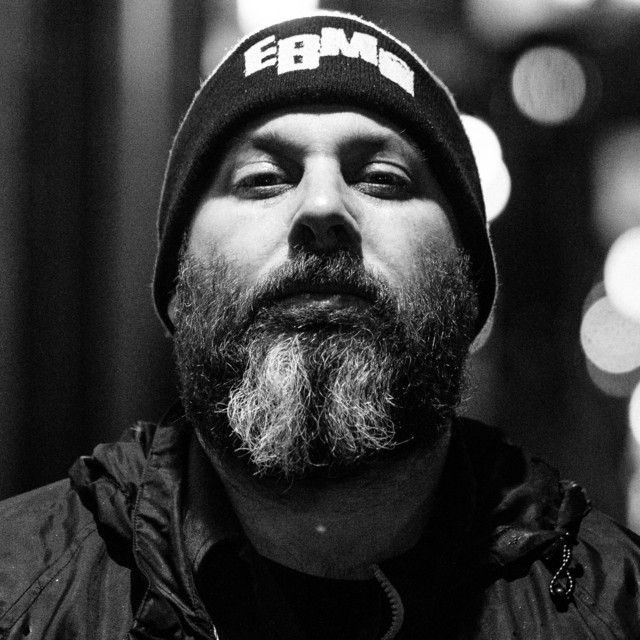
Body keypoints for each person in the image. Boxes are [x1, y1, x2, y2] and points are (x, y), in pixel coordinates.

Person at [1, 11, 639, 640]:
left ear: (470, 290)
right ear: (177, 286)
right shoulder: (18, 597)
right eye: (263, 179)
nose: (324, 206)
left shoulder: (615, 611)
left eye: (383, 180)